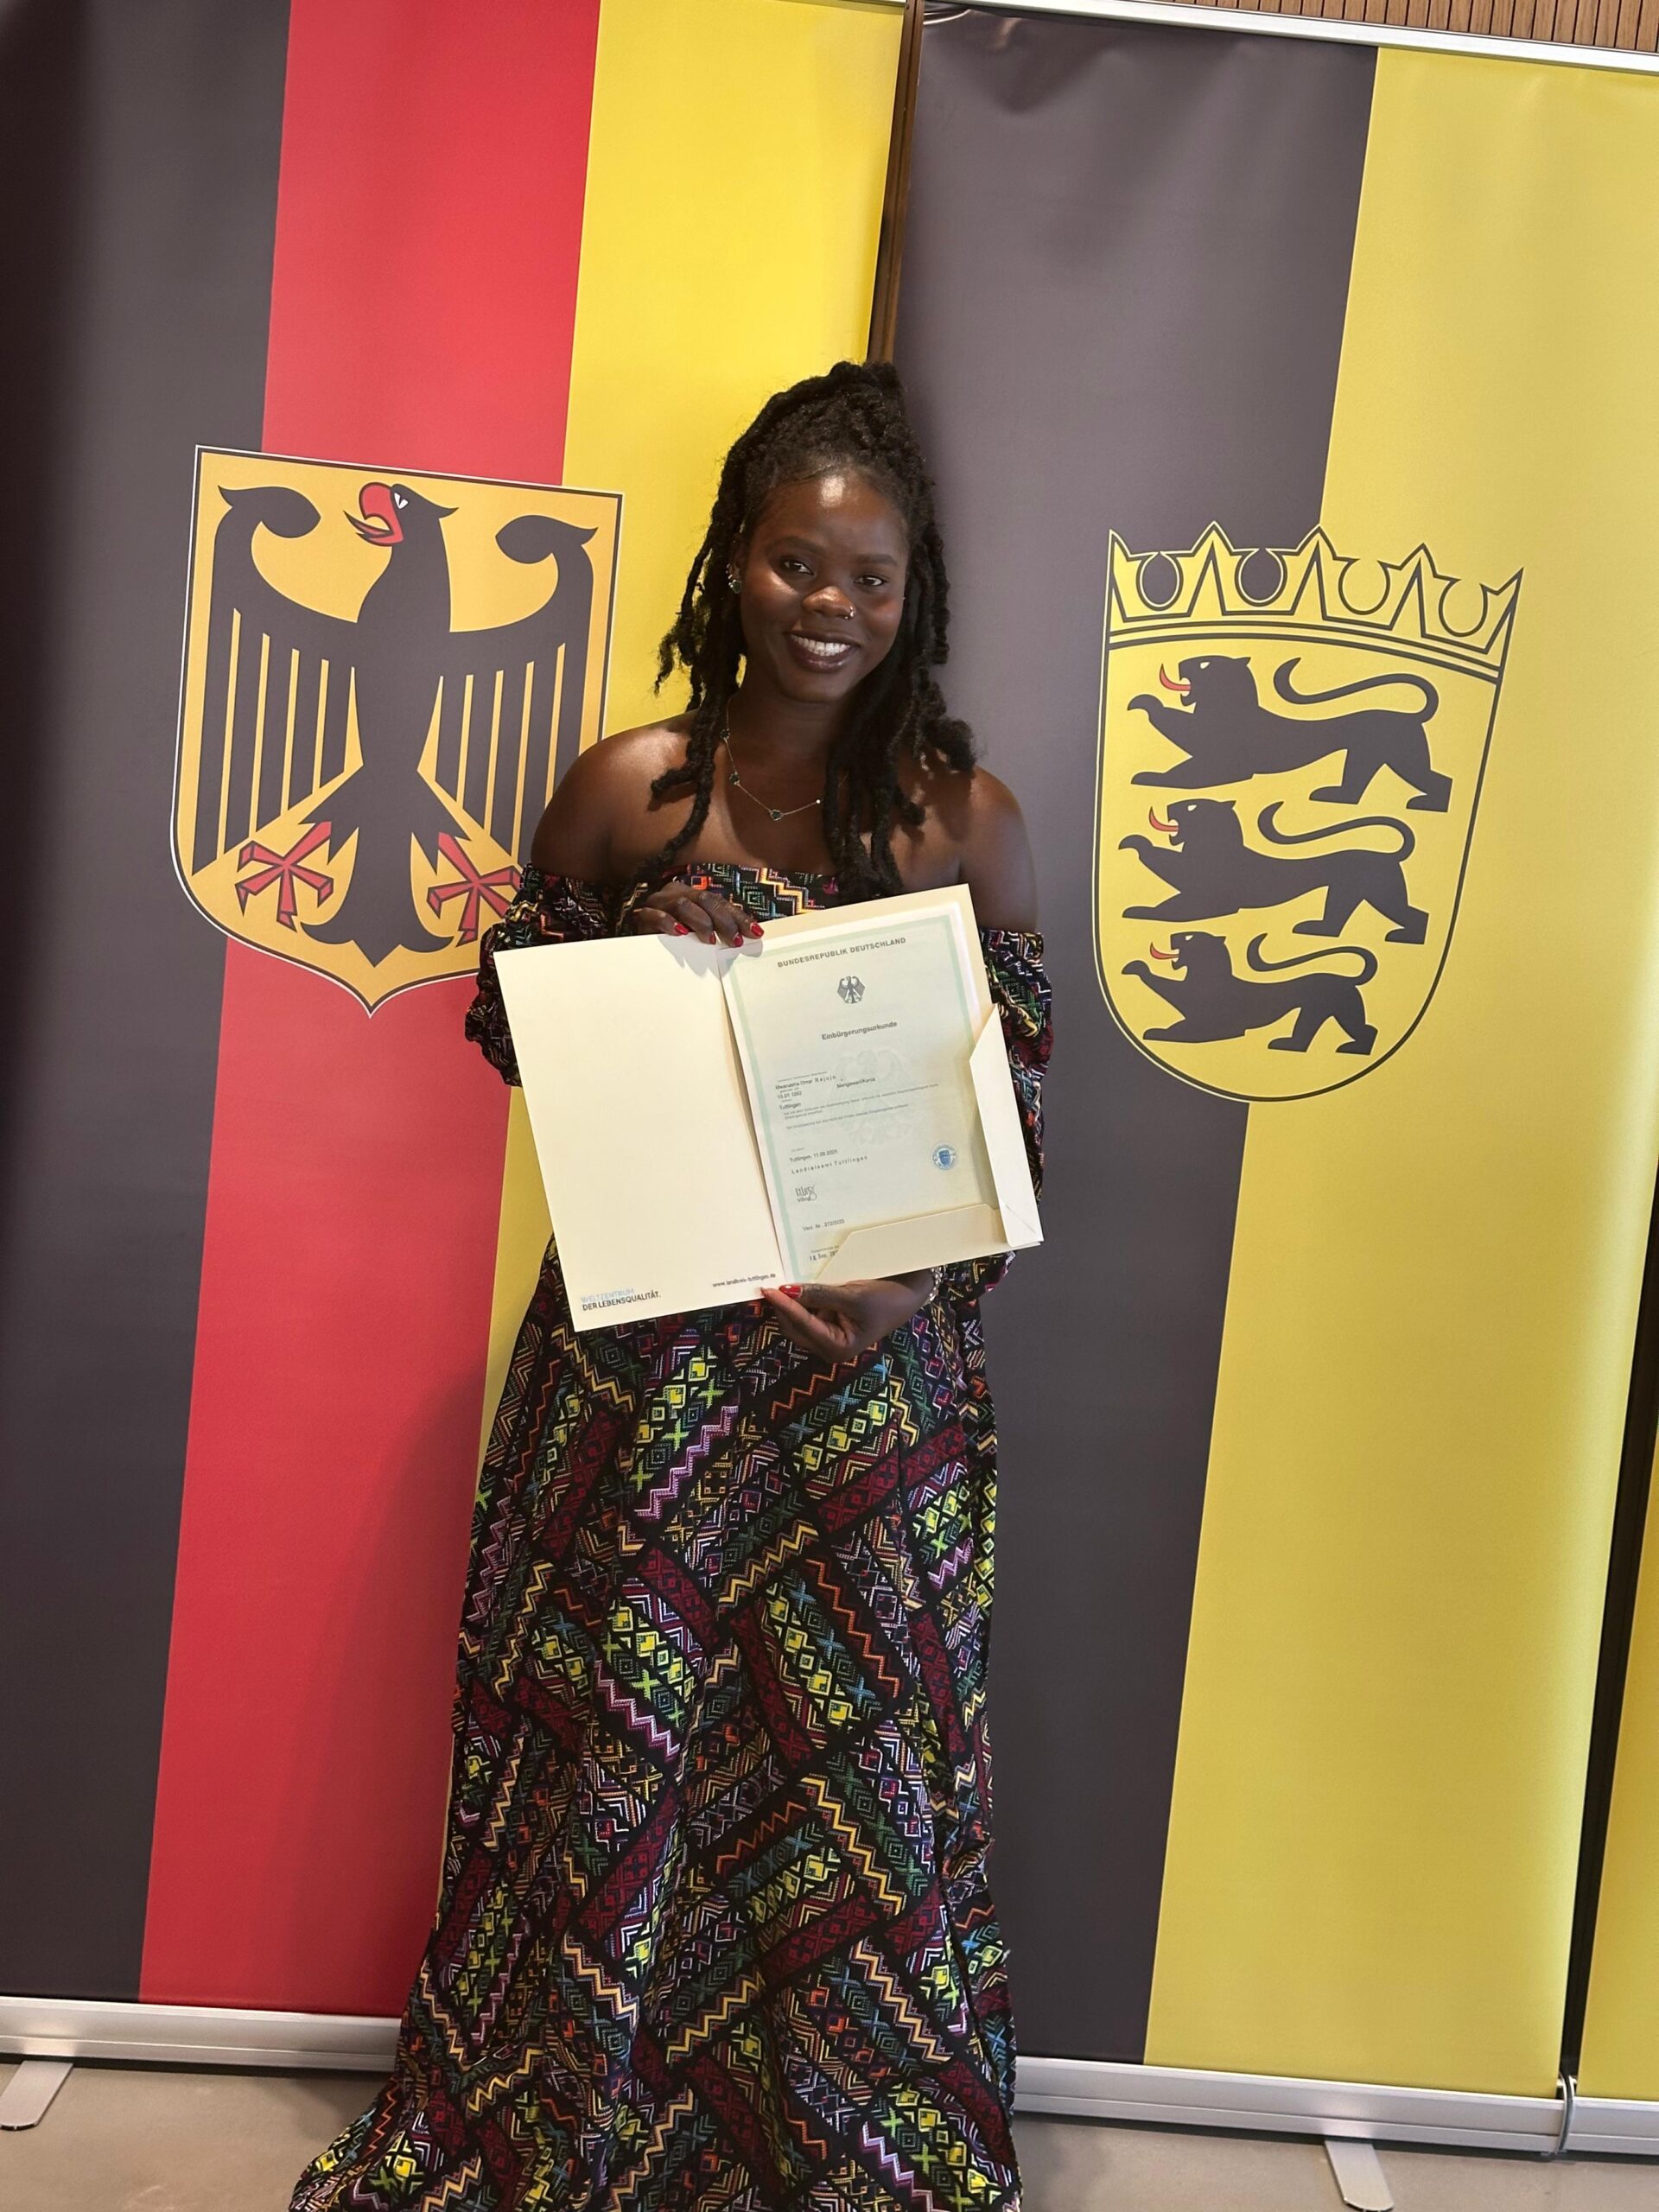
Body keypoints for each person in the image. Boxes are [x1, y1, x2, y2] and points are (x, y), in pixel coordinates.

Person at [291, 360, 1052, 2212]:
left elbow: (1007, 1125)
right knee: (609, 1753)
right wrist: (648, 1031)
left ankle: (834, 2141)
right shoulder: (629, 791)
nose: (829, 606)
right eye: (797, 563)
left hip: (866, 1405)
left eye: (869, 577)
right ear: (735, 561)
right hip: (643, 1386)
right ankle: (581, 2120)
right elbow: (528, 1038)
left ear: (914, 594)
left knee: (849, 1787)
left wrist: (906, 1286)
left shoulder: (963, 819)